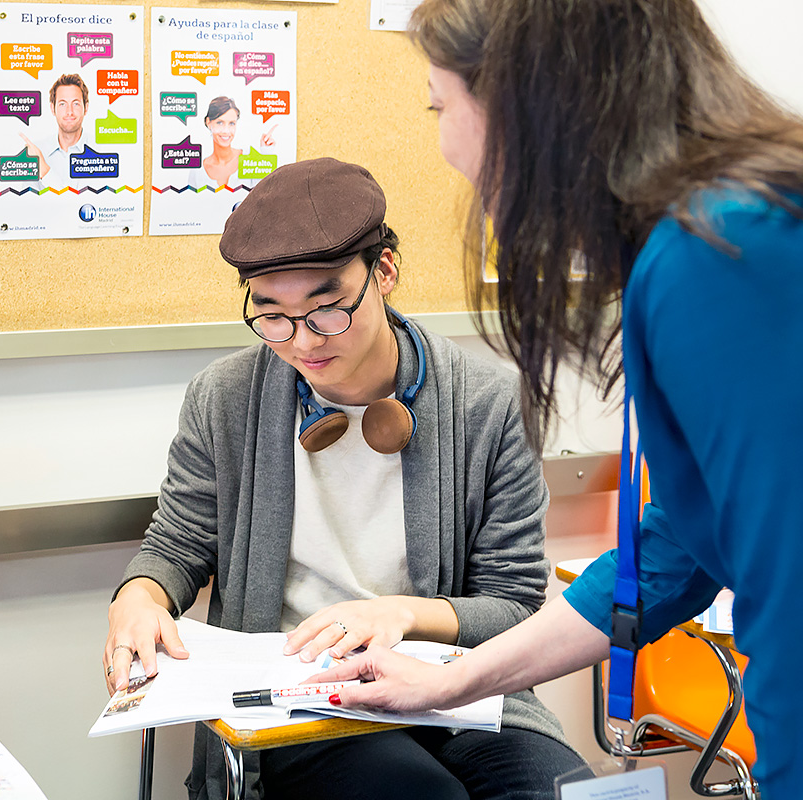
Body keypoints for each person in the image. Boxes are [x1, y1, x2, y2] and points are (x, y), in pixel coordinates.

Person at [309, 2, 803, 798]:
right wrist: (450, 682)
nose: (446, 149)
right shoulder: (724, 226)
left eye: (439, 106)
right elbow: (674, 552)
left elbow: (792, 606)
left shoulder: (719, 256)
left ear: (525, 101)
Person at [104, 158, 584, 800]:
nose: (302, 343)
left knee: (560, 791)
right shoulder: (225, 398)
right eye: (273, 316)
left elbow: (515, 605)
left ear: (383, 271)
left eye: (327, 309)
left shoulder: (489, 404)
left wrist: (401, 615)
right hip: (302, 698)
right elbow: (177, 545)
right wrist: (138, 598)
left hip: (458, 693)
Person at [18, 73, 92, 190]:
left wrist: (45, 172)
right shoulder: (36, 152)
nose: (69, 112)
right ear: (53, 109)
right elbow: (28, 200)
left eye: (76, 104)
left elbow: (82, 199)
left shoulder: (101, 150)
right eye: (62, 104)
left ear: (86, 108)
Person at [188, 96, 276, 188]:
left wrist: (266, 153)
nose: (226, 131)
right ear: (208, 122)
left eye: (231, 123)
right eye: (220, 123)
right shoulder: (197, 171)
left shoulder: (248, 158)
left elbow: (266, 190)